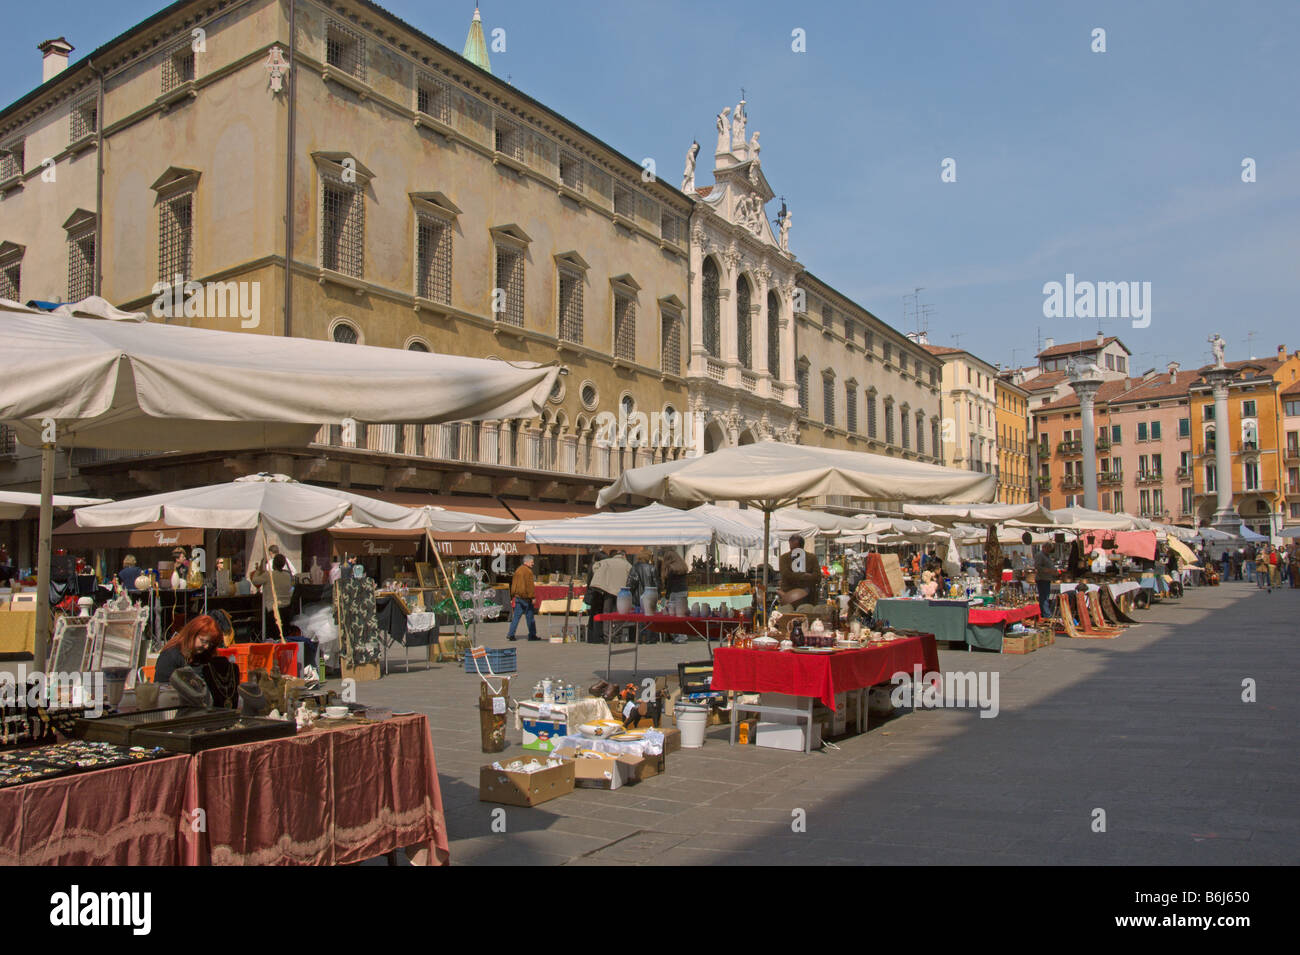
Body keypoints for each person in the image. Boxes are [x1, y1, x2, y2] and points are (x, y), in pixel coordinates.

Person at [153, 614, 240, 708]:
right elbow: (162, 690)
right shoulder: (170, 655)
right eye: (203, 641)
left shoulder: (205, 655)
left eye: (210, 643)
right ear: (192, 634)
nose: (206, 646)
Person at [250, 554, 294, 639]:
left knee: (273, 637)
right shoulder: (287, 576)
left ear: (273, 564)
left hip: (273, 609)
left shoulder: (269, 575)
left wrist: (259, 569)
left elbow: (255, 581)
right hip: (286, 609)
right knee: (284, 636)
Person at [777, 535, 821, 609]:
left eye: (795, 549)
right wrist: (805, 576)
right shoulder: (784, 558)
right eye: (791, 548)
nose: (793, 551)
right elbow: (786, 574)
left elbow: (818, 577)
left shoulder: (811, 558)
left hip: (808, 597)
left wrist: (800, 576)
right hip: (789, 595)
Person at [506, 554, 538, 641]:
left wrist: (513, 595)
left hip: (518, 597)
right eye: (531, 562)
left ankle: (511, 634)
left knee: (516, 617)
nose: (533, 564)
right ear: (526, 562)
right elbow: (530, 586)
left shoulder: (518, 570)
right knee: (530, 617)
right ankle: (532, 635)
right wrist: (532, 597)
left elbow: (514, 584)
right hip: (526, 598)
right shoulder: (528, 571)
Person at [1034, 544, 1056, 617]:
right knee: (1044, 597)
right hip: (1042, 578)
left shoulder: (1047, 555)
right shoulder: (1040, 555)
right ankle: (1046, 614)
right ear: (1044, 548)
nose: (1049, 550)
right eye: (1048, 548)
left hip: (1047, 578)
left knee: (1046, 596)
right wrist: (1048, 570)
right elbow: (1037, 566)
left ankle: (1046, 613)